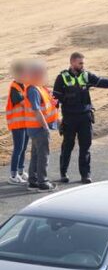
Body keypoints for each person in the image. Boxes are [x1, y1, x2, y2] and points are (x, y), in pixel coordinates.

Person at [53, 52, 108, 184]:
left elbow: (100, 81)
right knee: (67, 147)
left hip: (85, 117)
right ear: (72, 63)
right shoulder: (61, 78)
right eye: (80, 63)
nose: (82, 65)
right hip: (69, 118)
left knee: (85, 147)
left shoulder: (86, 75)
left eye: (83, 63)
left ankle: (85, 175)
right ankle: (63, 173)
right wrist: (57, 118)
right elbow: (55, 99)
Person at [23, 61, 59, 192]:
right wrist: (45, 127)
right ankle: (42, 182)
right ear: (36, 73)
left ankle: (33, 181)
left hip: (36, 128)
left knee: (36, 155)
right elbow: (36, 110)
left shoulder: (38, 87)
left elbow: (47, 106)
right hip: (39, 128)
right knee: (42, 155)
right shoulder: (33, 89)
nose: (45, 74)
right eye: (43, 72)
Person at [5, 60, 30, 185]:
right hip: (17, 124)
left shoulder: (23, 86)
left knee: (24, 148)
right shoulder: (15, 87)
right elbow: (23, 102)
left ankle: (21, 171)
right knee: (18, 148)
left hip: (25, 123)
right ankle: (13, 175)